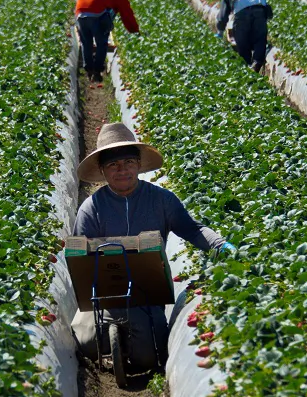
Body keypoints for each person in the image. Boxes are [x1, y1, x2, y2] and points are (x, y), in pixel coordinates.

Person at [70, 123, 234, 371]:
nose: (122, 170)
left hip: (148, 293)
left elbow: (191, 229)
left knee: (149, 356)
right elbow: (79, 253)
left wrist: (220, 245)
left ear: (138, 164)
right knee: (87, 340)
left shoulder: (161, 200)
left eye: (128, 162)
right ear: (103, 171)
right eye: (113, 165)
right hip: (103, 295)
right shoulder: (92, 208)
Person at [75, 0, 139, 83]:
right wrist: (134, 30)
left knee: (86, 43)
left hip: (80, 11)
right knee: (102, 42)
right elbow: (127, 14)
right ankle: (97, 71)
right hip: (96, 12)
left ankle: (89, 70)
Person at [215, 0, 273, 73]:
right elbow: (267, 8)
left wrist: (220, 32)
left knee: (242, 39)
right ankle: (257, 62)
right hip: (259, 7)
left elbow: (222, 16)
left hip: (241, 11)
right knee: (260, 38)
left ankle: (247, 65)